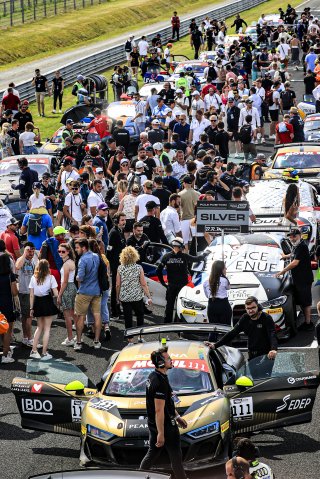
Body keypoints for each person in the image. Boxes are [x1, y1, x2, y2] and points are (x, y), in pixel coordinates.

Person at [139, 346, 188, 479]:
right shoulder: (160, 382)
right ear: (161, 362)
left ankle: (139, 476)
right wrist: (161, 433)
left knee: (152, 454)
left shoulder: (154, 375)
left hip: (157, 424)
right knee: (176, 459)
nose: (171, 360)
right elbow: (159, 410)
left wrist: (177, 416)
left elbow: (167, 402)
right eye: (168, 358)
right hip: (166, 426)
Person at [206, 296, 278, 377]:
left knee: (265, 379)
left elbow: (272, 334)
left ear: (258, 306)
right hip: (252, 354)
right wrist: (215, 345)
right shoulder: (245, 318)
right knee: (255, 379)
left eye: (253, 307)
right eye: (248, 308)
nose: (251, 310)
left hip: (266, 354)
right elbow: (232, 333)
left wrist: (273, 349)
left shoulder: (266, 318)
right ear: (245, 308)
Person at [157, 237, 208, 323]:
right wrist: (205, 254)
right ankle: (179, 322)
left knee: (169, 305)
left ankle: (167, 323)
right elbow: (197, 259)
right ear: (181, 246)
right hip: (183, 286)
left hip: (171, 285)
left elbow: (158, 270)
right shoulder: (185, 256)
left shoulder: (166, 256)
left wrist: (163, 282)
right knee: (181, 305)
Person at [276, 228, 314, 331]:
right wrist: (285, 256)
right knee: (302, 301)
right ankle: (307, 322)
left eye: (294, 236)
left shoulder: (302, 246)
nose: (292, 238)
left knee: (306, 301)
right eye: (291, 236)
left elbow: (295, 262)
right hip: (299, 279)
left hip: (304, 279)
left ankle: (308, 323)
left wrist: (282, 271)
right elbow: (293, 255)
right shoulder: (296, 246)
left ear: (300, 235)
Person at [74, 238, 102, 350]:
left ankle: (79, 342)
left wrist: (76, 278)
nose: (76, 250)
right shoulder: (96, 256)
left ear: (84, 247)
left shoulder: (82, 260)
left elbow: (80, 277)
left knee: (80, 317)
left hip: (84, 291)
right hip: (96, 291)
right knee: (97, 315)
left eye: (77, 248)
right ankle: (96, 341)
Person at [29, 259, 59, 360]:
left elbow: (32, 295)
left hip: (37, 303)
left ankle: (33, 350)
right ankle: (44, 353)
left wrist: (31, 308)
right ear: (47, 267)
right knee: (47, 329)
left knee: (39, 327)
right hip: (47, 302)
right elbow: (56, 294)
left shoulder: (33, 277)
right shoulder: (51, 278)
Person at [116, 246, 152, 329]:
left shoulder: (120, 268)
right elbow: (143, 284)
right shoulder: (138, 268)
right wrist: (148, 296)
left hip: (125, 297)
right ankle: (140, 336)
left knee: (128, 318)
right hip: (137, 297)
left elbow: (118, 284)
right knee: (140, 315)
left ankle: (130, 339)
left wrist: (117, 297)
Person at [15, 242, 38, 348]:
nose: (31, 253)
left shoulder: (34, 260)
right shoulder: (21, 259)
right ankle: (30, 339)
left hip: (31, 292)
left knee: (26, 317)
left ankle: (25, 338)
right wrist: (24, 254)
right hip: (25, 292)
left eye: (33, 251)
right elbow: (18, 266)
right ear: (25, 250)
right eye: (29, 251)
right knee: (28, 317)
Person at [203, 260, 232, 342]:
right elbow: (228, 287)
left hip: (212, 305)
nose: (226, 269)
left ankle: (212, 348)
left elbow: (207, 295)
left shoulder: (206, 282)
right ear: (221, 269)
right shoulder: (224, 280)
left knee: (213, 329)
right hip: (223, 305)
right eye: (224, 268)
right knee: (226, 330)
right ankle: (227, 348)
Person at [0, 241, 19, 363]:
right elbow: (14, 292)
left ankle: (3, 347)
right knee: (8, 329)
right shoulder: (9, 275)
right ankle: (6, 354)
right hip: (7, 304)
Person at [107, 212, 127, 320]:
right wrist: (110, 266)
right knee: (115, 288)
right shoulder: (113, 233)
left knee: (120, 288)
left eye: (125, 220)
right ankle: (114, 312)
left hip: (121, 265)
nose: (124, 222)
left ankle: (118, 309)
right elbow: (109, 251)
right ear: (116, 221)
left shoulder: (121, 231)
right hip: (115, 266)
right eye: (122, 220)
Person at [57, 243, 77, 347]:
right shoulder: (71, 262)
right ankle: (78, 337)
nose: (60, 253)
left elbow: (64, 282)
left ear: (68, 252)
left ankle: (70, 338)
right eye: (59, 251)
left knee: (67, 316)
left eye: (63, 251)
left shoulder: (66, 264)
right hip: (72, 287)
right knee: (73, 314)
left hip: (67, 288)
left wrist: (59, 295)